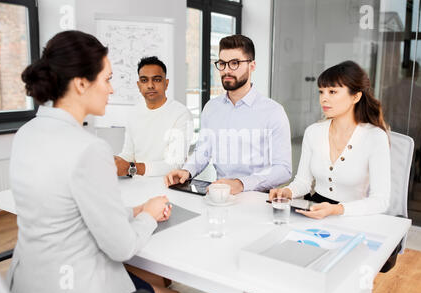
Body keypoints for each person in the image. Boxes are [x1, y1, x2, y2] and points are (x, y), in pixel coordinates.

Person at [8, 30, 183, 293]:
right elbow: (122, 248)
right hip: (75, 288)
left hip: (27, 283)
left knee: (152, 278)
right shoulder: (89, 148)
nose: (111, 89)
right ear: (81, 84)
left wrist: (133, 210)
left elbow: (67, 212)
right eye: (107, 79)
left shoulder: (26, 133)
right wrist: (149, 213)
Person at [165, 35, 292, 194]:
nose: (226, 70)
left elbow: (283, 169)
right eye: (222, 64)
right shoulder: (211, 108)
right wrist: (187, 171)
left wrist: (241, 184)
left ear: (252, 66)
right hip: (220, 196)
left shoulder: (273, 112)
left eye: (234, 63)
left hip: (258, 199)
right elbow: (203, 151)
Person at [269, 60, 391, 219]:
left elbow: (380, 201)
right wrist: (287, 192)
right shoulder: (313, 132)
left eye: (332, 92)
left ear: (355, 96)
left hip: (353, 216)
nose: (323, 99)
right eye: (321, 92)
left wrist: (336, 209)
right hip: (313, 212)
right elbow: (303, 183)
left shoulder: (375, 137)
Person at [114, 56, 193, 177]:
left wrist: (132, 168)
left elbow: (174, 164)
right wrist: (114, 162)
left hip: (167, 186)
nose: (150, 85)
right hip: (135, 184)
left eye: (156, 80)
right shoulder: (133, 113)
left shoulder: (181, 114)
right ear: (139, 85)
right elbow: (128, 154)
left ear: (166, 84)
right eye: (144, 80)